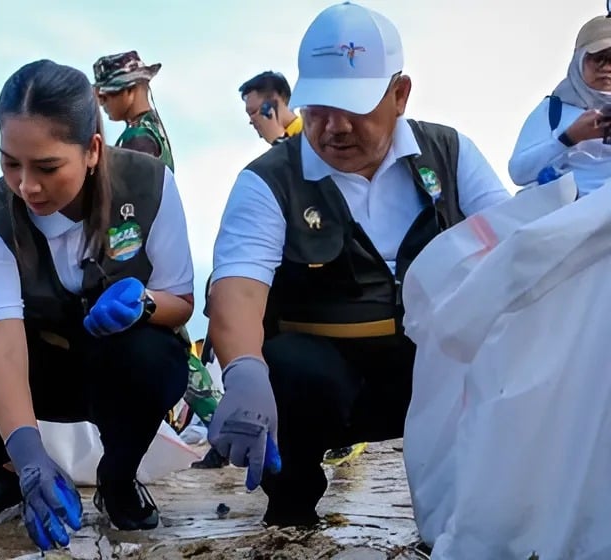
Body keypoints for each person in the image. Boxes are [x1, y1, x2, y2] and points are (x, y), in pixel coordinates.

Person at [206, 2, 511, 528]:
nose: (335, 127)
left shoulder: (449, 153)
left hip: (433, 366)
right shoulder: (268, 180)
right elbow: (238, 287)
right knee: (283, 367)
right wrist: (243, 371)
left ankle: (475, 508)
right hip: (327, 374)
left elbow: (514, 245)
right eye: (320, 108)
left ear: (399, 95)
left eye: (356, 108)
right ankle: (292, 503)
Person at [0, 60, 194, 550]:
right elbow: (0, 351)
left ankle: (118, 479)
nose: (26, 186)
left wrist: (143, 304)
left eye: (47, 167)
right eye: (10, 163)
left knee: (155, 355)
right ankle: (0, 474)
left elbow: (182, 302)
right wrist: (29, 452)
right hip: (35, 369)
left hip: (113, 368)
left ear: (92, 150)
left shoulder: (149, 185)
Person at [509, 13, 611, 198]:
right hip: (568, 220)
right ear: (579, 60)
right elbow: (518, 172)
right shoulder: (554, 110)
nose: (606, 68)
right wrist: (569, 138)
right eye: (598, 58)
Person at [93, 51, 174, 171]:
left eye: (105, 96)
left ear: (129, 90)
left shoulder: (139, 138)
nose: (101, 103)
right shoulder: (151, 129)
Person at [239, 71, 303, 145]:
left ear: (276, 98)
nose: (251, 120)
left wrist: (278, 140)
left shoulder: (307, 130)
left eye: (253, 112)